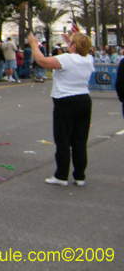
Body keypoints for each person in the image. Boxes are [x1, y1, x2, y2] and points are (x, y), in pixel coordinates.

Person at [27, 31, 93, 186]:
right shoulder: (88, 58)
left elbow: (42, 61)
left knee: (63, 139)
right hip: (84, 99)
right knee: (80, 140)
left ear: (75, 46)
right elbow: (78, 50)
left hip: (65, 101)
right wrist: (70, 40)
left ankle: (61, 175)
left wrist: (33, 44)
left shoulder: (66, 59)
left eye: (70, 43)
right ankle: (79, 176)